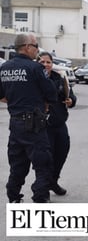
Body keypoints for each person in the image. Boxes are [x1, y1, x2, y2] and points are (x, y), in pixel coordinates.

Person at [0, 33, 57, 203]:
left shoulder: (4, 68)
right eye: (35, 46)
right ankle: (40, 200)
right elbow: (51, 93)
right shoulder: (34, 68)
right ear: (26, 47)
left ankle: (14, 198)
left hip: (15, 122)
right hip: (34, 125)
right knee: (43, 165)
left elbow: (2, 95)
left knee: (17, 165)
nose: (38, 50)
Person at [38, 51, 77, 196]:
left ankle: (53, 181)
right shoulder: (35, 78)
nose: (46, 64)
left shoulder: (60, 77)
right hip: (43, 125)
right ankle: (43, 188)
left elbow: (70, 95)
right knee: (46, 157)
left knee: (61, 153)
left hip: (59, 123)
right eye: (42, 62)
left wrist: (71, 101)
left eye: (48, 62)